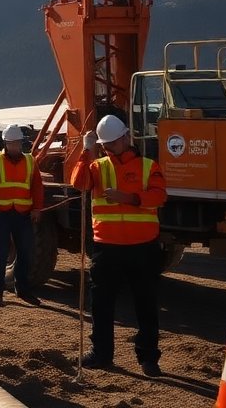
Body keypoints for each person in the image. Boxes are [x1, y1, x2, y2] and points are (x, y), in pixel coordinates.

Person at [73, 114, 168, 377]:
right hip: (107, 247)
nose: (109, 148)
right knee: (101, 304)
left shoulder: (148, 166)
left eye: (112, 143)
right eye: (106, 144)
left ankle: (148, 358)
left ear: (127, 138)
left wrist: (128, 198)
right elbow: (78, 183)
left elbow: (159, 196)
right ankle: (102, 353)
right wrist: (86, 150)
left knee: (146, 304)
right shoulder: (98, 166)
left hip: (142, 246)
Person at [0, 124, 44, 307]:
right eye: (12, 143)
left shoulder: (30, 161)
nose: (15, 146)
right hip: (1, 215)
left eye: (17, 143)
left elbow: (37, 186)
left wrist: (37, 208)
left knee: (26, 253)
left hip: (23, 215)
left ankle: (22, 290)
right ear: (6, 143)